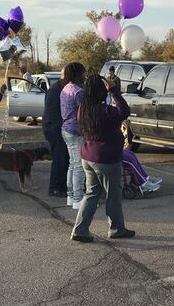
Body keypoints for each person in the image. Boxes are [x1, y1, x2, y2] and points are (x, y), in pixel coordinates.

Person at [71, 75, 135, 242]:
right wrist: (113, 90)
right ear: (101, 91)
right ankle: (116, 229)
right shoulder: (105, 110)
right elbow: (124, 111)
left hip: (88, 156)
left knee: (91, 193)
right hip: (107, 158)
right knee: (113, 195)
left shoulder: (83, 109)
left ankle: (80, 230)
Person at [60, 62, 87, 209]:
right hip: (76, 131)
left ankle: (70, 196)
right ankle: (78, 199)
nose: (84, 76)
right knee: (79, 166)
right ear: (77, 74)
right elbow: (83, 114)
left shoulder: (65, 88)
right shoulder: (78, 92)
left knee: (72, 164)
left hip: (66, 129)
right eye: (83, 73)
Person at [42, 69, 69, 198]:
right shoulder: (54, 91)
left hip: (61, 129)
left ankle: (63, 185)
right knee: (59, 159)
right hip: (54, 129)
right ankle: (55, 188)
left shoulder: (63, 89)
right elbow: (52, 114)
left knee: (65, 159)